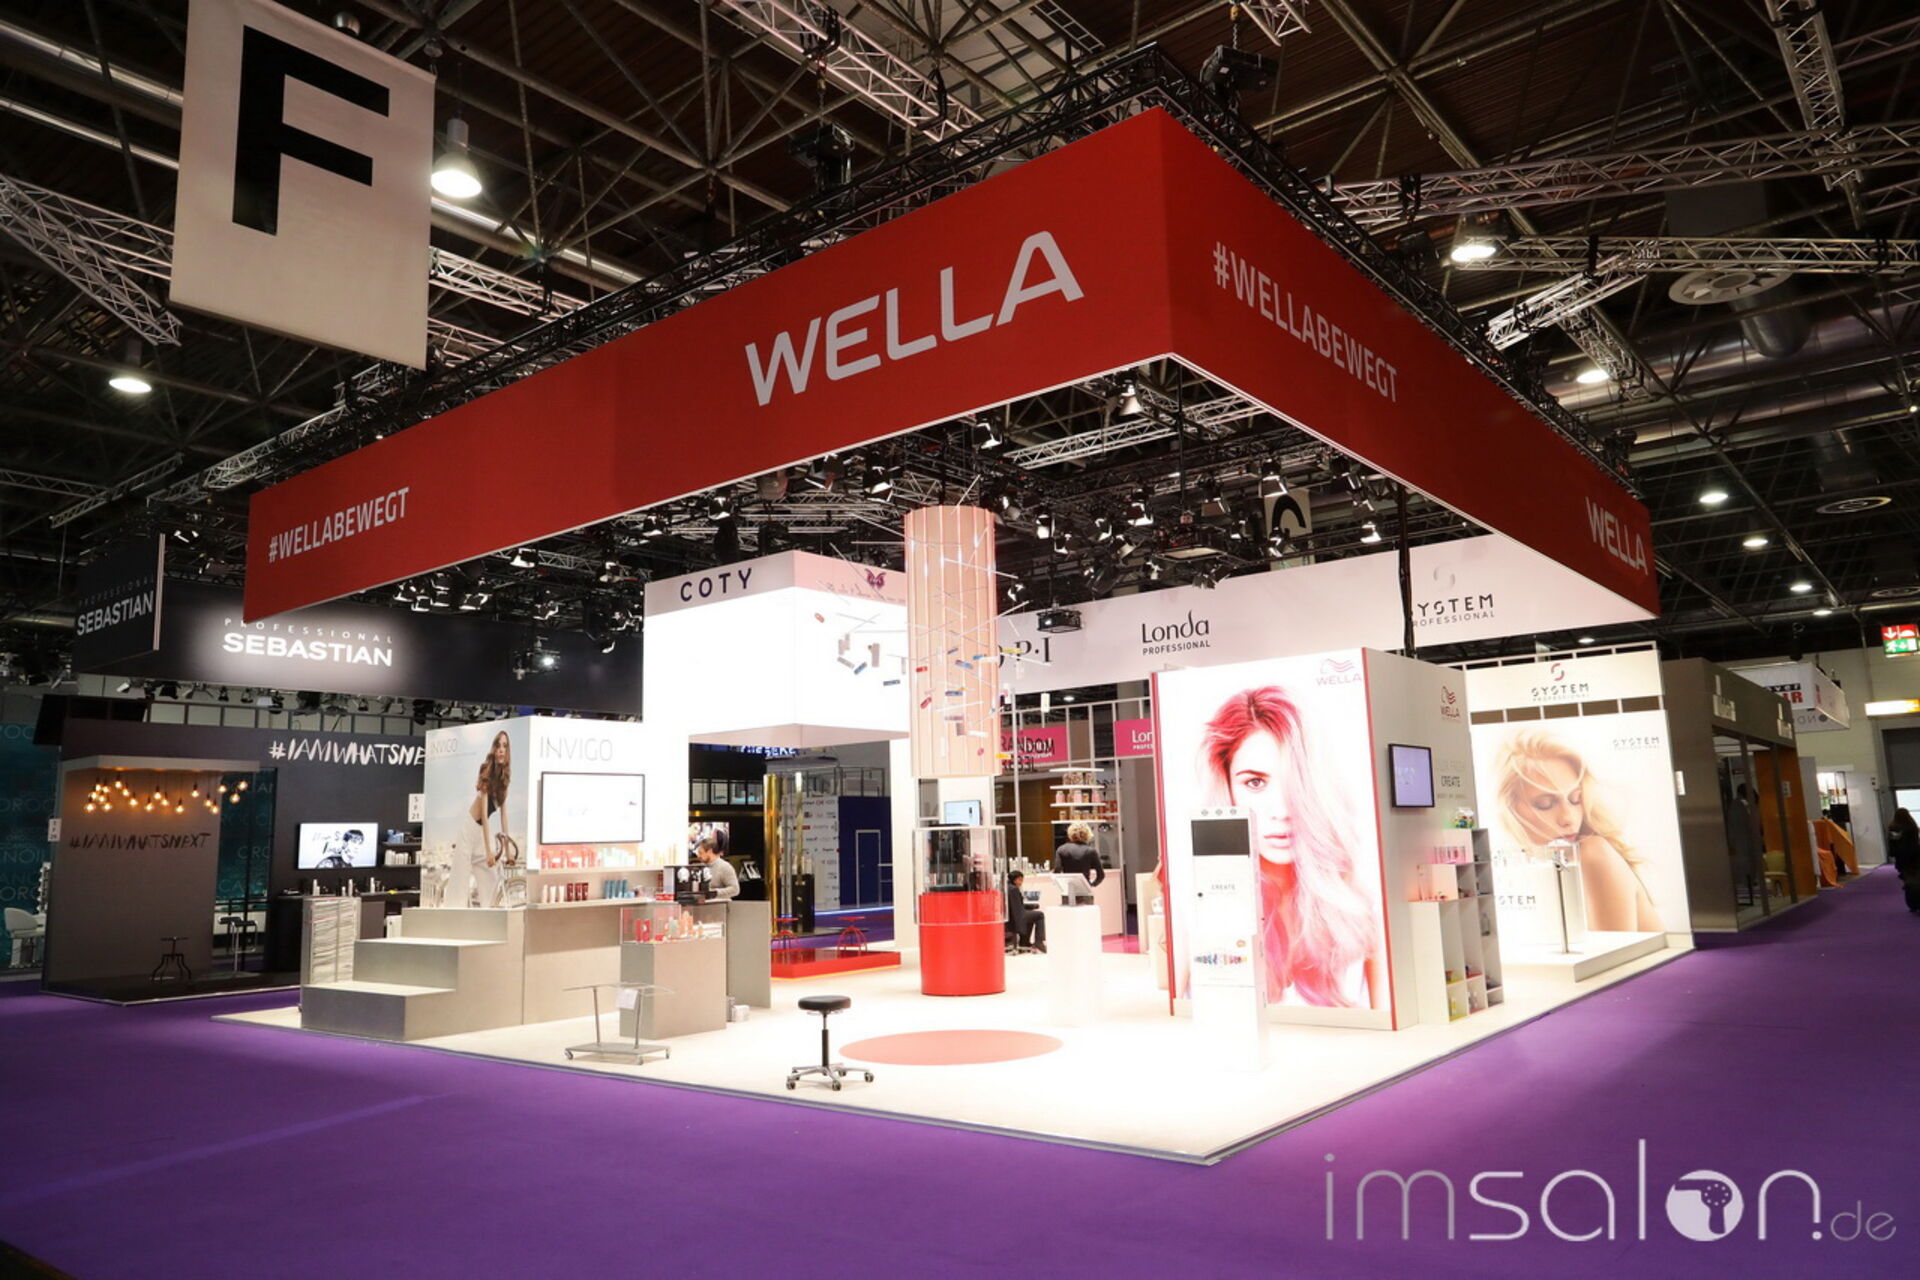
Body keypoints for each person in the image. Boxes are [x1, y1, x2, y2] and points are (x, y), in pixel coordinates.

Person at [1198, 686, 1384, 1008]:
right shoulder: (1200, 907)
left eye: (1295, 784)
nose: (1282, 809)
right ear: (1227, 787)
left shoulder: (1356, 909)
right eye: (1255, 783)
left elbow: (1388, 1018)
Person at [1493, 730, 1663, 932]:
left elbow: (1613, 948)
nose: (1569, 818)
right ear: (1510, 809)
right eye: (1545, 804)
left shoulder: (1593, 852)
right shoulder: (1525, 868)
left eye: (1575, 800)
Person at [469, 731, 513, 907]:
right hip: (472, 827)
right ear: (494, 749)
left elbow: (504, 817)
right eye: (498, 745)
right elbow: (484, 816)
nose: (501, 749)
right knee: (481, 878)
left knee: (491, 881)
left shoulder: (504, 779)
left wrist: (508, 850)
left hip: (481, 831)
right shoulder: (486, 771)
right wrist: (489, 852)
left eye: (505, 746)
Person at [1887, 808, 1920, 914]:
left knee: (1909, 881)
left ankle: (1912, 903)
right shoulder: (1913, 827)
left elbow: (1893, 843)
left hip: (1903, 858)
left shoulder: (1894, 828)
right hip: (1915, 856)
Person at [1054, 821, 1105, 887]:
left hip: (1069, 887)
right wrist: (1092, 885)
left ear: (1070, 833)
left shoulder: (1061, 849)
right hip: (1085, 888)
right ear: (1087, 834)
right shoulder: (1091, 851)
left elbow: (1057, 870)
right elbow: (1101, 875)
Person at [1007, 870, 1045, 951]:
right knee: (1040, 915)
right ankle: (1039, 941)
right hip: (1016, 918)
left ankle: (1025, 941)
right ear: (1015, 879)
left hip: (1009, 917)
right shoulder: (1014, 889)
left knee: (1031, 913)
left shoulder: (1007, 887)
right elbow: (1017, 908)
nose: (1021, 882)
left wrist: (1030, 907)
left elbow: (1015, 905)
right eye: (1020, 880)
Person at [695, 837, 739, 901]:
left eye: (701, 853)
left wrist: (713, 893)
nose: (698, 856)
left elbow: (735, 890)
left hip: (720, 905)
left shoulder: (725, 867)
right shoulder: (700, 868)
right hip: (703, 904)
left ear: (709, 851)